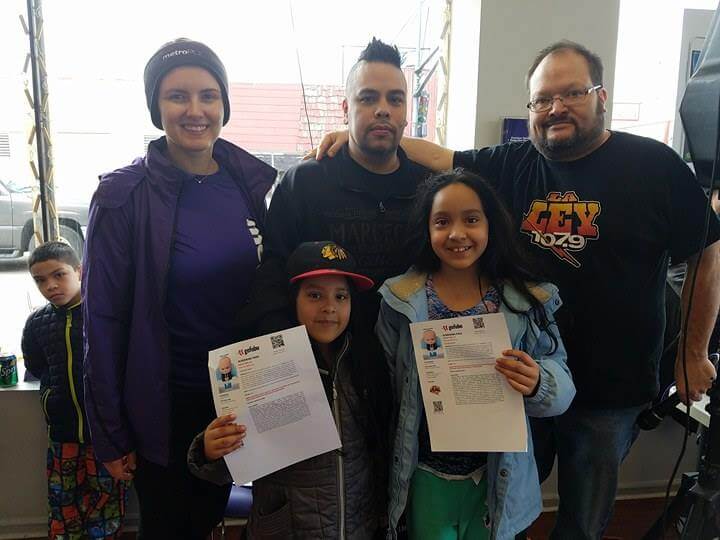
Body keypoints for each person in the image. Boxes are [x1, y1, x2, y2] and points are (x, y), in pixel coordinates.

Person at [317, 40, 720, 539]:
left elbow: (707, 252)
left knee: (581, 520)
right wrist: (361, 136)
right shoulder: (514, 162)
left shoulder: (653, 165)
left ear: (601, 96)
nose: (556, 108)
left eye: (572, 93)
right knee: (510, 498)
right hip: (515, 380)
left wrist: (693, 352)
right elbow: (441, 157)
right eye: (542, 99)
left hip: (608, 390)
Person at [82, 38, 276, 539]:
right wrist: (110, 433)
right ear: (156, 107)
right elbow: (101, 322)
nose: (195, 110)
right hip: (163, 405)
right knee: (170, 527)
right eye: (177, 96)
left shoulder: (245, 183)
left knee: (208, 519)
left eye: (208, 96)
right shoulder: (123, 196)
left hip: (234, 394)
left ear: (224, 105)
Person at [376, 170, 575, 539]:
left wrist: (538, 383)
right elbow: (389, 387)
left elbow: (562, 385)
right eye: (442, 222)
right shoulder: (400, 301)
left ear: (490, 225)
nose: (457, 233)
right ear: (426, 229)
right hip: (425, 475)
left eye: (471, 219)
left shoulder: (525, 300)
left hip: (496, 478)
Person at [188, 241, 390, 539]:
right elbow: (231, 468)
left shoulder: (366, 364)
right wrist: (210, 451)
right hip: (287, 527)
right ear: (292, 299)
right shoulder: (261, 365)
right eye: (314, 295)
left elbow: (379, 449)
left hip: (358, 526)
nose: (329, 307)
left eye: (341, 296)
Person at [249, 37, 431, 337]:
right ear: (346, 109)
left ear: (405, 112)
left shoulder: (430, 188)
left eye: (395, 100)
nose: (383, 110)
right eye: (368, 98)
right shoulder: (302, 184)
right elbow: (272, 276)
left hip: (410, 352)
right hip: (324, 355)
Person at [22, 241, 128, 539]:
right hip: (62, 435)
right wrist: (50, 398)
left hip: (105, 437)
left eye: (59, 275)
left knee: (106, 506)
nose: (50, 286)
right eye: (40, 280)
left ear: (79, 271)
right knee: (62, 504)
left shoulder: (104, 316)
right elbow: (36, 365)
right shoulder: (37, 324)